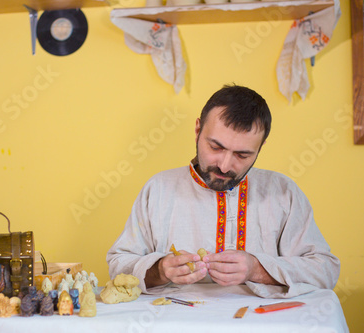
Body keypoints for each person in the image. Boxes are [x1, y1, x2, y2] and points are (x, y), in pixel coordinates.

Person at [106, 84, 340, 298]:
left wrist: (256, 269)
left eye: (242, 155)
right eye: (216, 147)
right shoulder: (158, 189)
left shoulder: (283, 192)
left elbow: (326, 270)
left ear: (260, 147)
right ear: (198, 130)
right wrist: (159, 270)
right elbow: (118, 265)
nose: (225, 165)